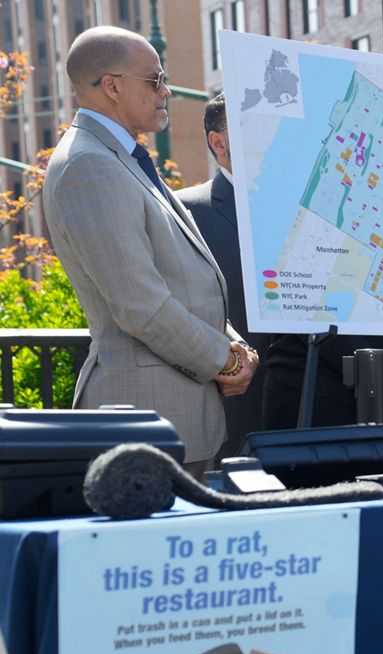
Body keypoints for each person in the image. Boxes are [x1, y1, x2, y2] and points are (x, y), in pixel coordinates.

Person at [42, 27, 257, 475]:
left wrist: (231, 342)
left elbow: (181, 280)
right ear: (112, 86)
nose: (166, 91)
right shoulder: (88, 164)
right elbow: (140, 304)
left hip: (171, 417)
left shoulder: (117, 156)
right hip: (146, 421)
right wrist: (224, 358)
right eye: (155, 79)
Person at [174, 93, 270, 457]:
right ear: (218, 142)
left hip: (314, 403)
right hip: (235, 405)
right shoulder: (187, 209)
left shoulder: (305, 204)